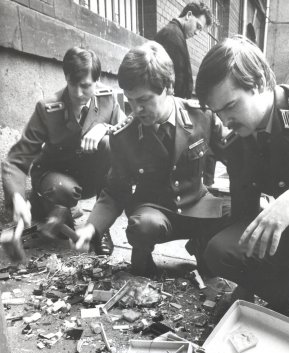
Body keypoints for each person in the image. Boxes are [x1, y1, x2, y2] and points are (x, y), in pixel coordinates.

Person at [73, 41, 228, 277]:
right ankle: (143, 254)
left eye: (144, 100)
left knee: (239, 212)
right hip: (154, 214)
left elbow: (235, 158)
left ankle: (202, 244)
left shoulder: (201, 117)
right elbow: (114, 191)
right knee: (143, 227)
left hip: (198, 205)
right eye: (130, 101)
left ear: (167, 88)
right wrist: (91, 228)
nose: (136, 109)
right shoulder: (124, 136)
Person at [196, 35, 289, 319]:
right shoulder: (238, 143)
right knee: (219, 250)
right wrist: (243, 288)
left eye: (230, 106)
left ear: (257, 84)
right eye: (218, 112)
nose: (224, 121)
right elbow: (244, 214)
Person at [2, 47, 125, 255]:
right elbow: (16, 160)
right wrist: (17, 198)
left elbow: (127, 132)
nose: (78, 93)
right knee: (62, 201)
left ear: (97, 81)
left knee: (109, 144)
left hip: (89, 178)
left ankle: (101, 228)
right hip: (56, 177)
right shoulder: (48, 108)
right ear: (66, 77)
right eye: (72, 84)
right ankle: (48, 203)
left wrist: (105, 128)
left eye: (86, 86)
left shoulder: (109, 99)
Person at [155, 2, 212, 99]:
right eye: (198, 26)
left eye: (200, 30)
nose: (197, 33)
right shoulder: (172, 35)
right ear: (188, 15)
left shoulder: (175, 33)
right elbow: (174, 78)